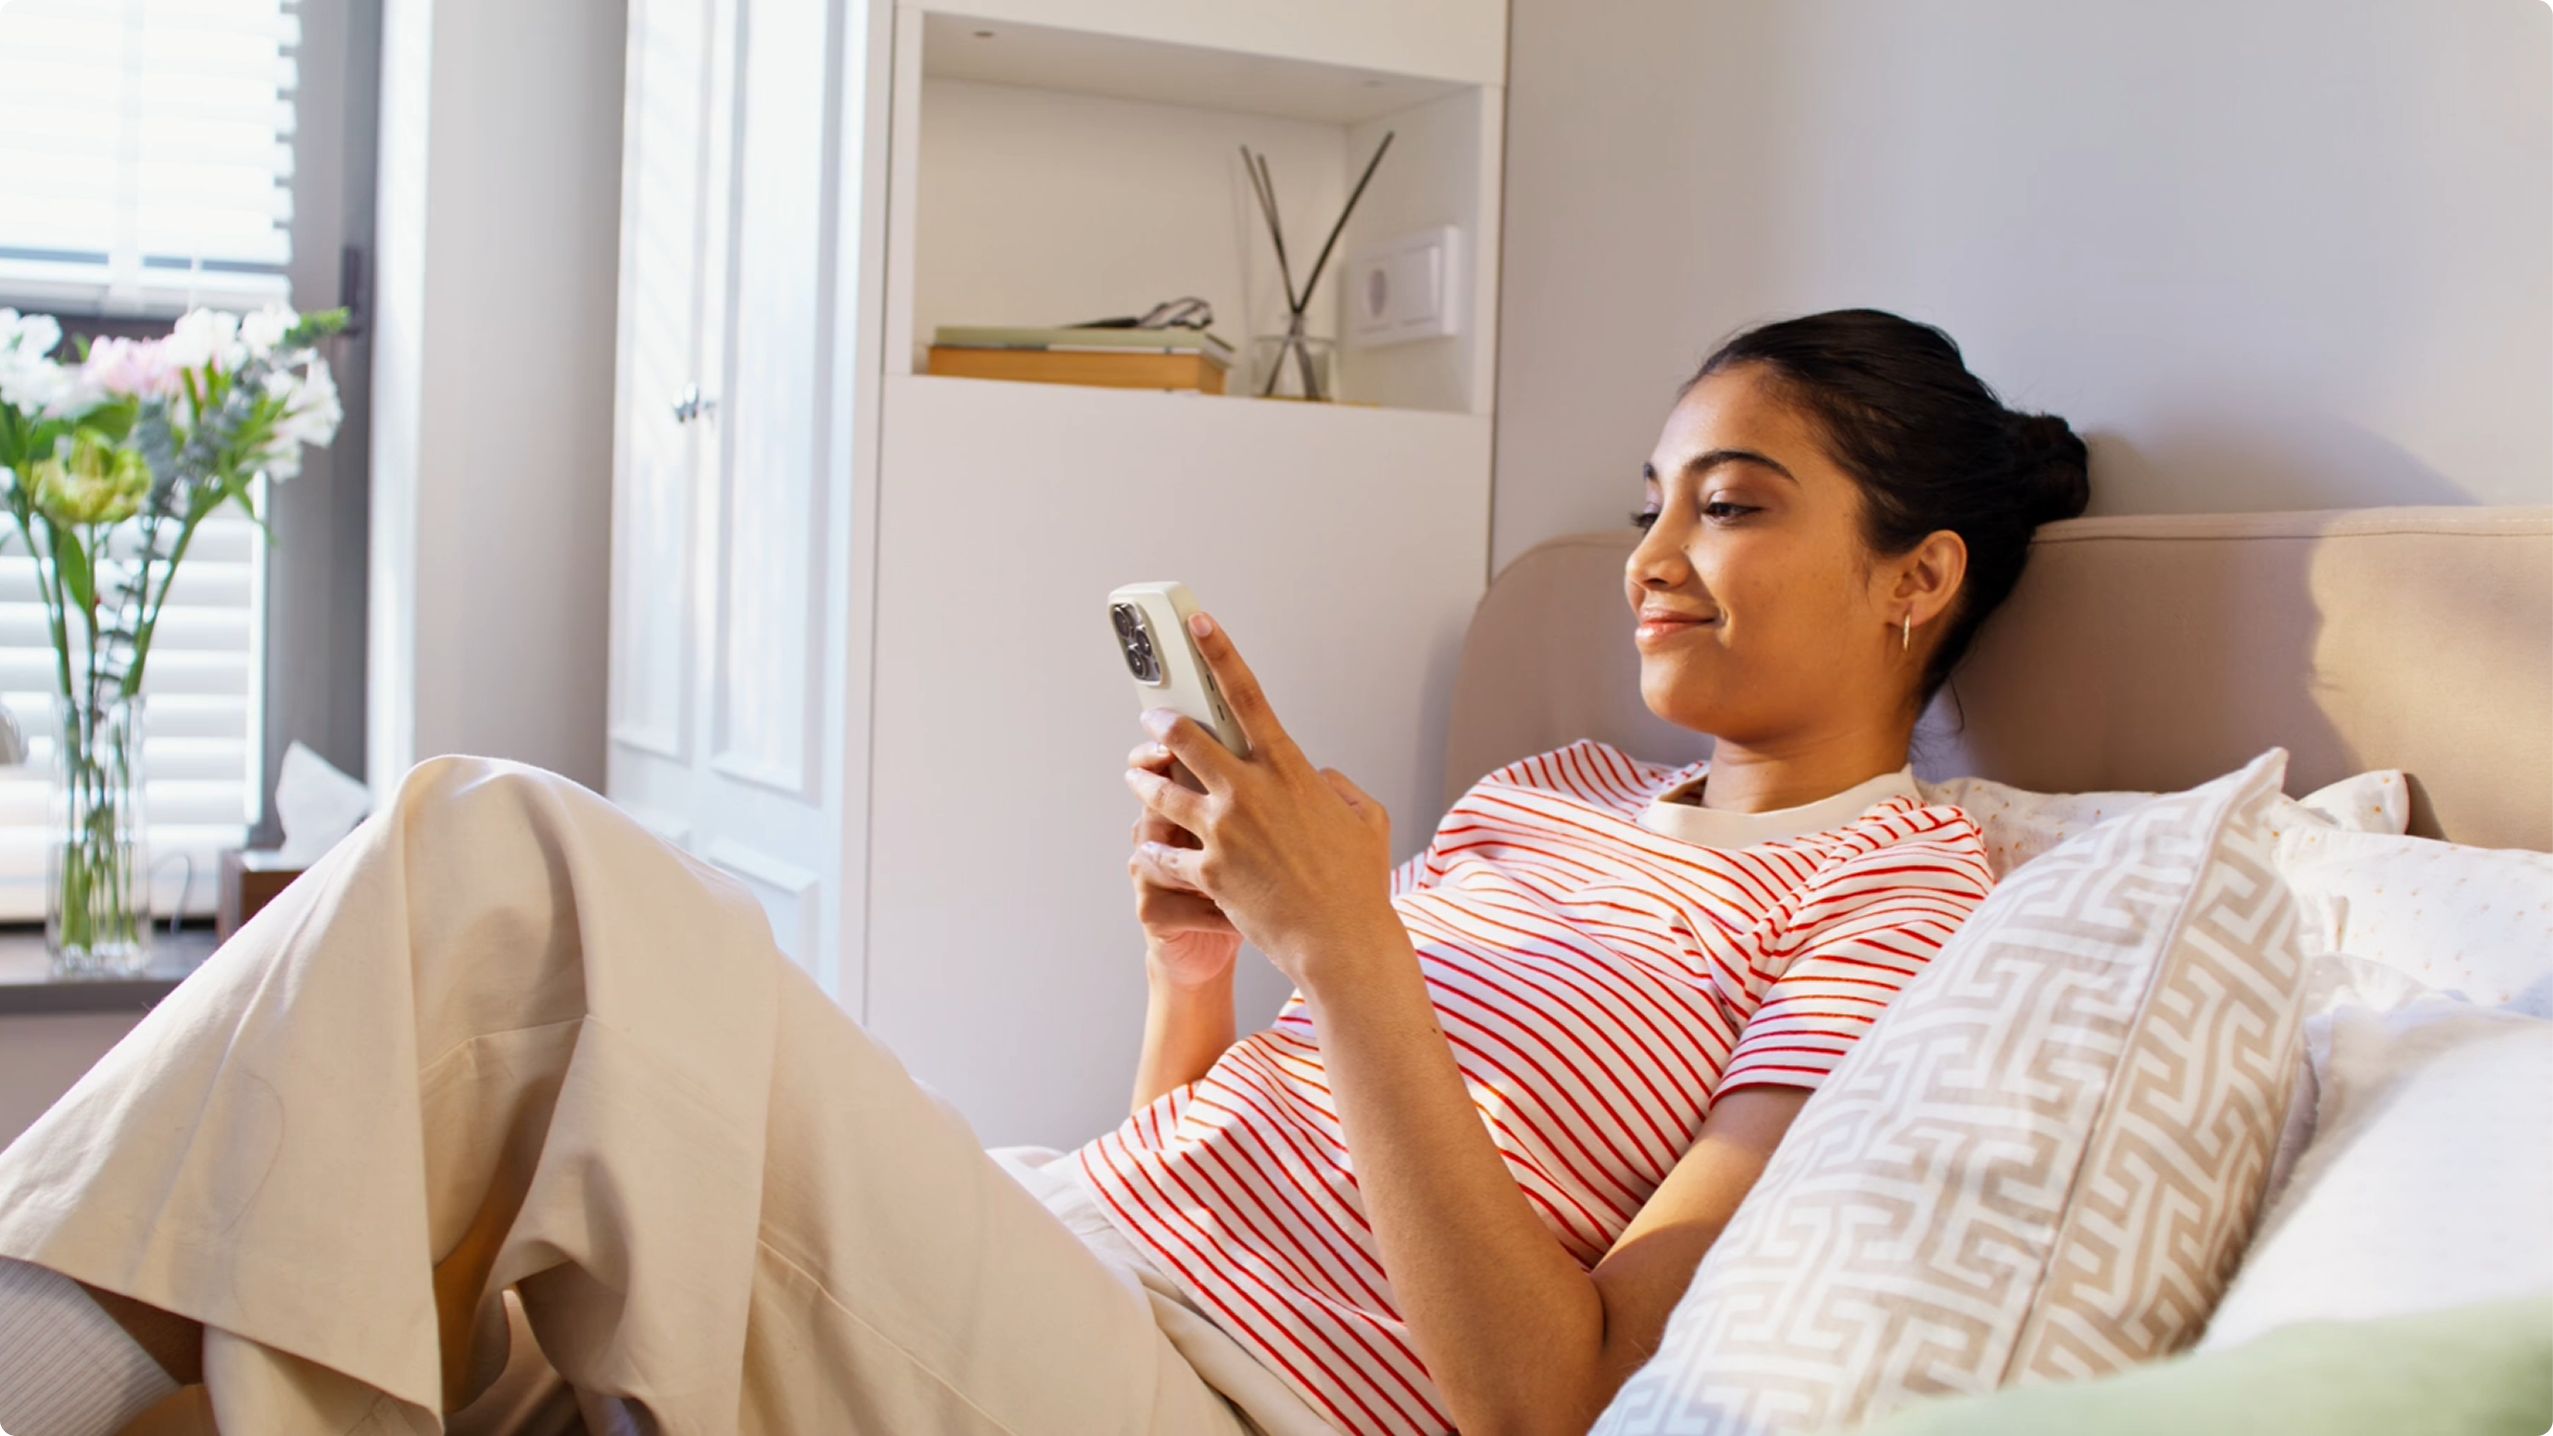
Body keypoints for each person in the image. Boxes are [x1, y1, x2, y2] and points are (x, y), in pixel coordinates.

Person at [0, 309, 2090, 1436]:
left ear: (1919, 577)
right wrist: (1201, 978)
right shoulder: (1542, 791)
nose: (1649, 558)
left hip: (1240, 1401)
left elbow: (1562, 1397)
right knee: (354, 1261)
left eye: (1731, 505)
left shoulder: (1906, 892)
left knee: (497, 866)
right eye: (1648, 503)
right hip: (1075, 1258)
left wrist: (1353, 953)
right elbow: (1224, 1161)